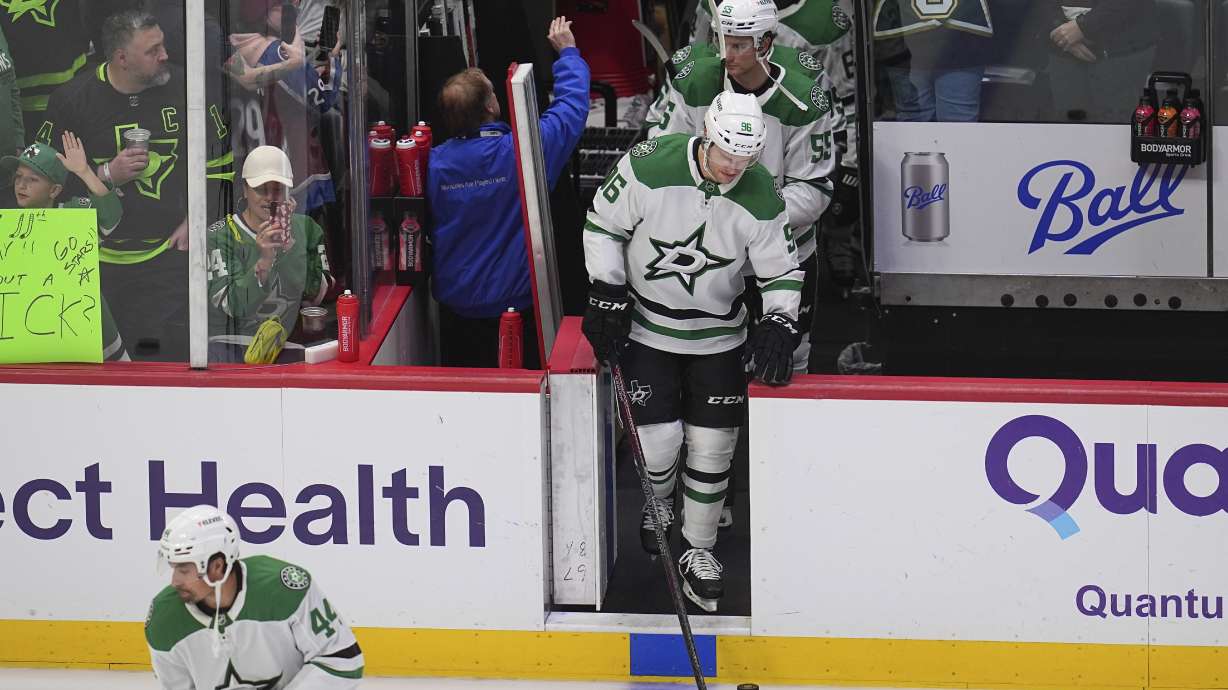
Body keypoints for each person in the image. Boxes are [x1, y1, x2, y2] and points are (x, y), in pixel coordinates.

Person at [582, 91, 801, 612]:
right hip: (648, 328)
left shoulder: (761, 193)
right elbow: (603, 223)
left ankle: (698, 551)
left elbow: (782, 269)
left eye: (744, 159)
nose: (733, 168)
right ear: (707, 134)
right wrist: (607, 289)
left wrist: (779, 316)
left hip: (720, 337)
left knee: (712, 450)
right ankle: (656, 502)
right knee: (659, 447)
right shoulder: (648, 163)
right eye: (726, 155)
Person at [647, 0, 838, 379]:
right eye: (721, 41)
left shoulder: (804, 100)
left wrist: (749, 216)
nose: (725, 54)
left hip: (785, 254)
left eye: (737, 45)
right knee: (715, 359)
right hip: (711, 251)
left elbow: (814, 188)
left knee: (787, 361)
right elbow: (661, 156)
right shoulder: (695, 81)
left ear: (765, 43)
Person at [40, 9, 233, 360]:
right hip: (93, 265)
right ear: (121, 58)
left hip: (170, 257)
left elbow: (221, 166)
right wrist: (106, 174)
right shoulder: (71, 101)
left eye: (162, 45)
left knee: (166, 369)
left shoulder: (188, 89)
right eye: (153, 50)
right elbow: (44, 188)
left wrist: (198, 217)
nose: (165, 55)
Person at [427, 16, 590, 369]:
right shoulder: (523, 153)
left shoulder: (431, 167)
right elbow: (571, 108)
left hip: (455, 318)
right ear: (491, 106)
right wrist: (569, 54)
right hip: (515, 318)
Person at [147, 505, 364, 688]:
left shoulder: (284, 590)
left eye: (184, 570)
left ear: (217, 566)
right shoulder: (163, 622)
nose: (174, 581)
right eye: (173, 568)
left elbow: (343, 661)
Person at [0, 133, 128, 360]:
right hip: (22, 338)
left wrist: (84, 172)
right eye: (19, 177)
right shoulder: (6, 224)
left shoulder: (74, 215)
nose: (21, 184)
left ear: (54, 190)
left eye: (33, 179)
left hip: (87, 336)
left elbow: (111, 216)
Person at [207, 145, 333, 364]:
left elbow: (318, 295)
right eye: (261, 189)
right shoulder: (219, 236)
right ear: (244, 189)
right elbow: (234, 307)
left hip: (291, 347)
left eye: (277, 189)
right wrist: (264, 261)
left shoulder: (308, 229)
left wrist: (290, 248)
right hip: (233, 349)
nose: (269, 198)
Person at [1046, 0, 1158, 123]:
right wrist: (1059, 27)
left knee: (1115, 127)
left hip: (1121, 49)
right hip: (1063, 49)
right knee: (1068, 129)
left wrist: (1083, 27)